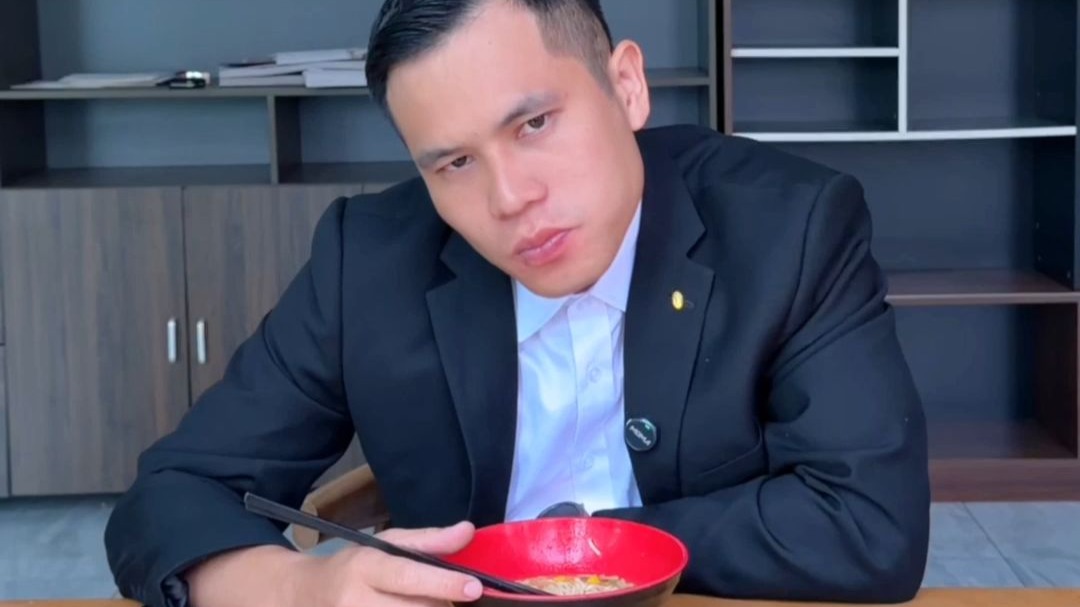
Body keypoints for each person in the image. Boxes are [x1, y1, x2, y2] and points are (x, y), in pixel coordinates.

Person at [104, 0, 931, 605]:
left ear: (627, 86)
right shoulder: (369, 262)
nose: (509, 199)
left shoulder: (791, 228)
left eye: (534, 124)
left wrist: (579, 552)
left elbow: (869, 524)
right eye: (454, 163)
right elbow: (168, 496)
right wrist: (300, 588)